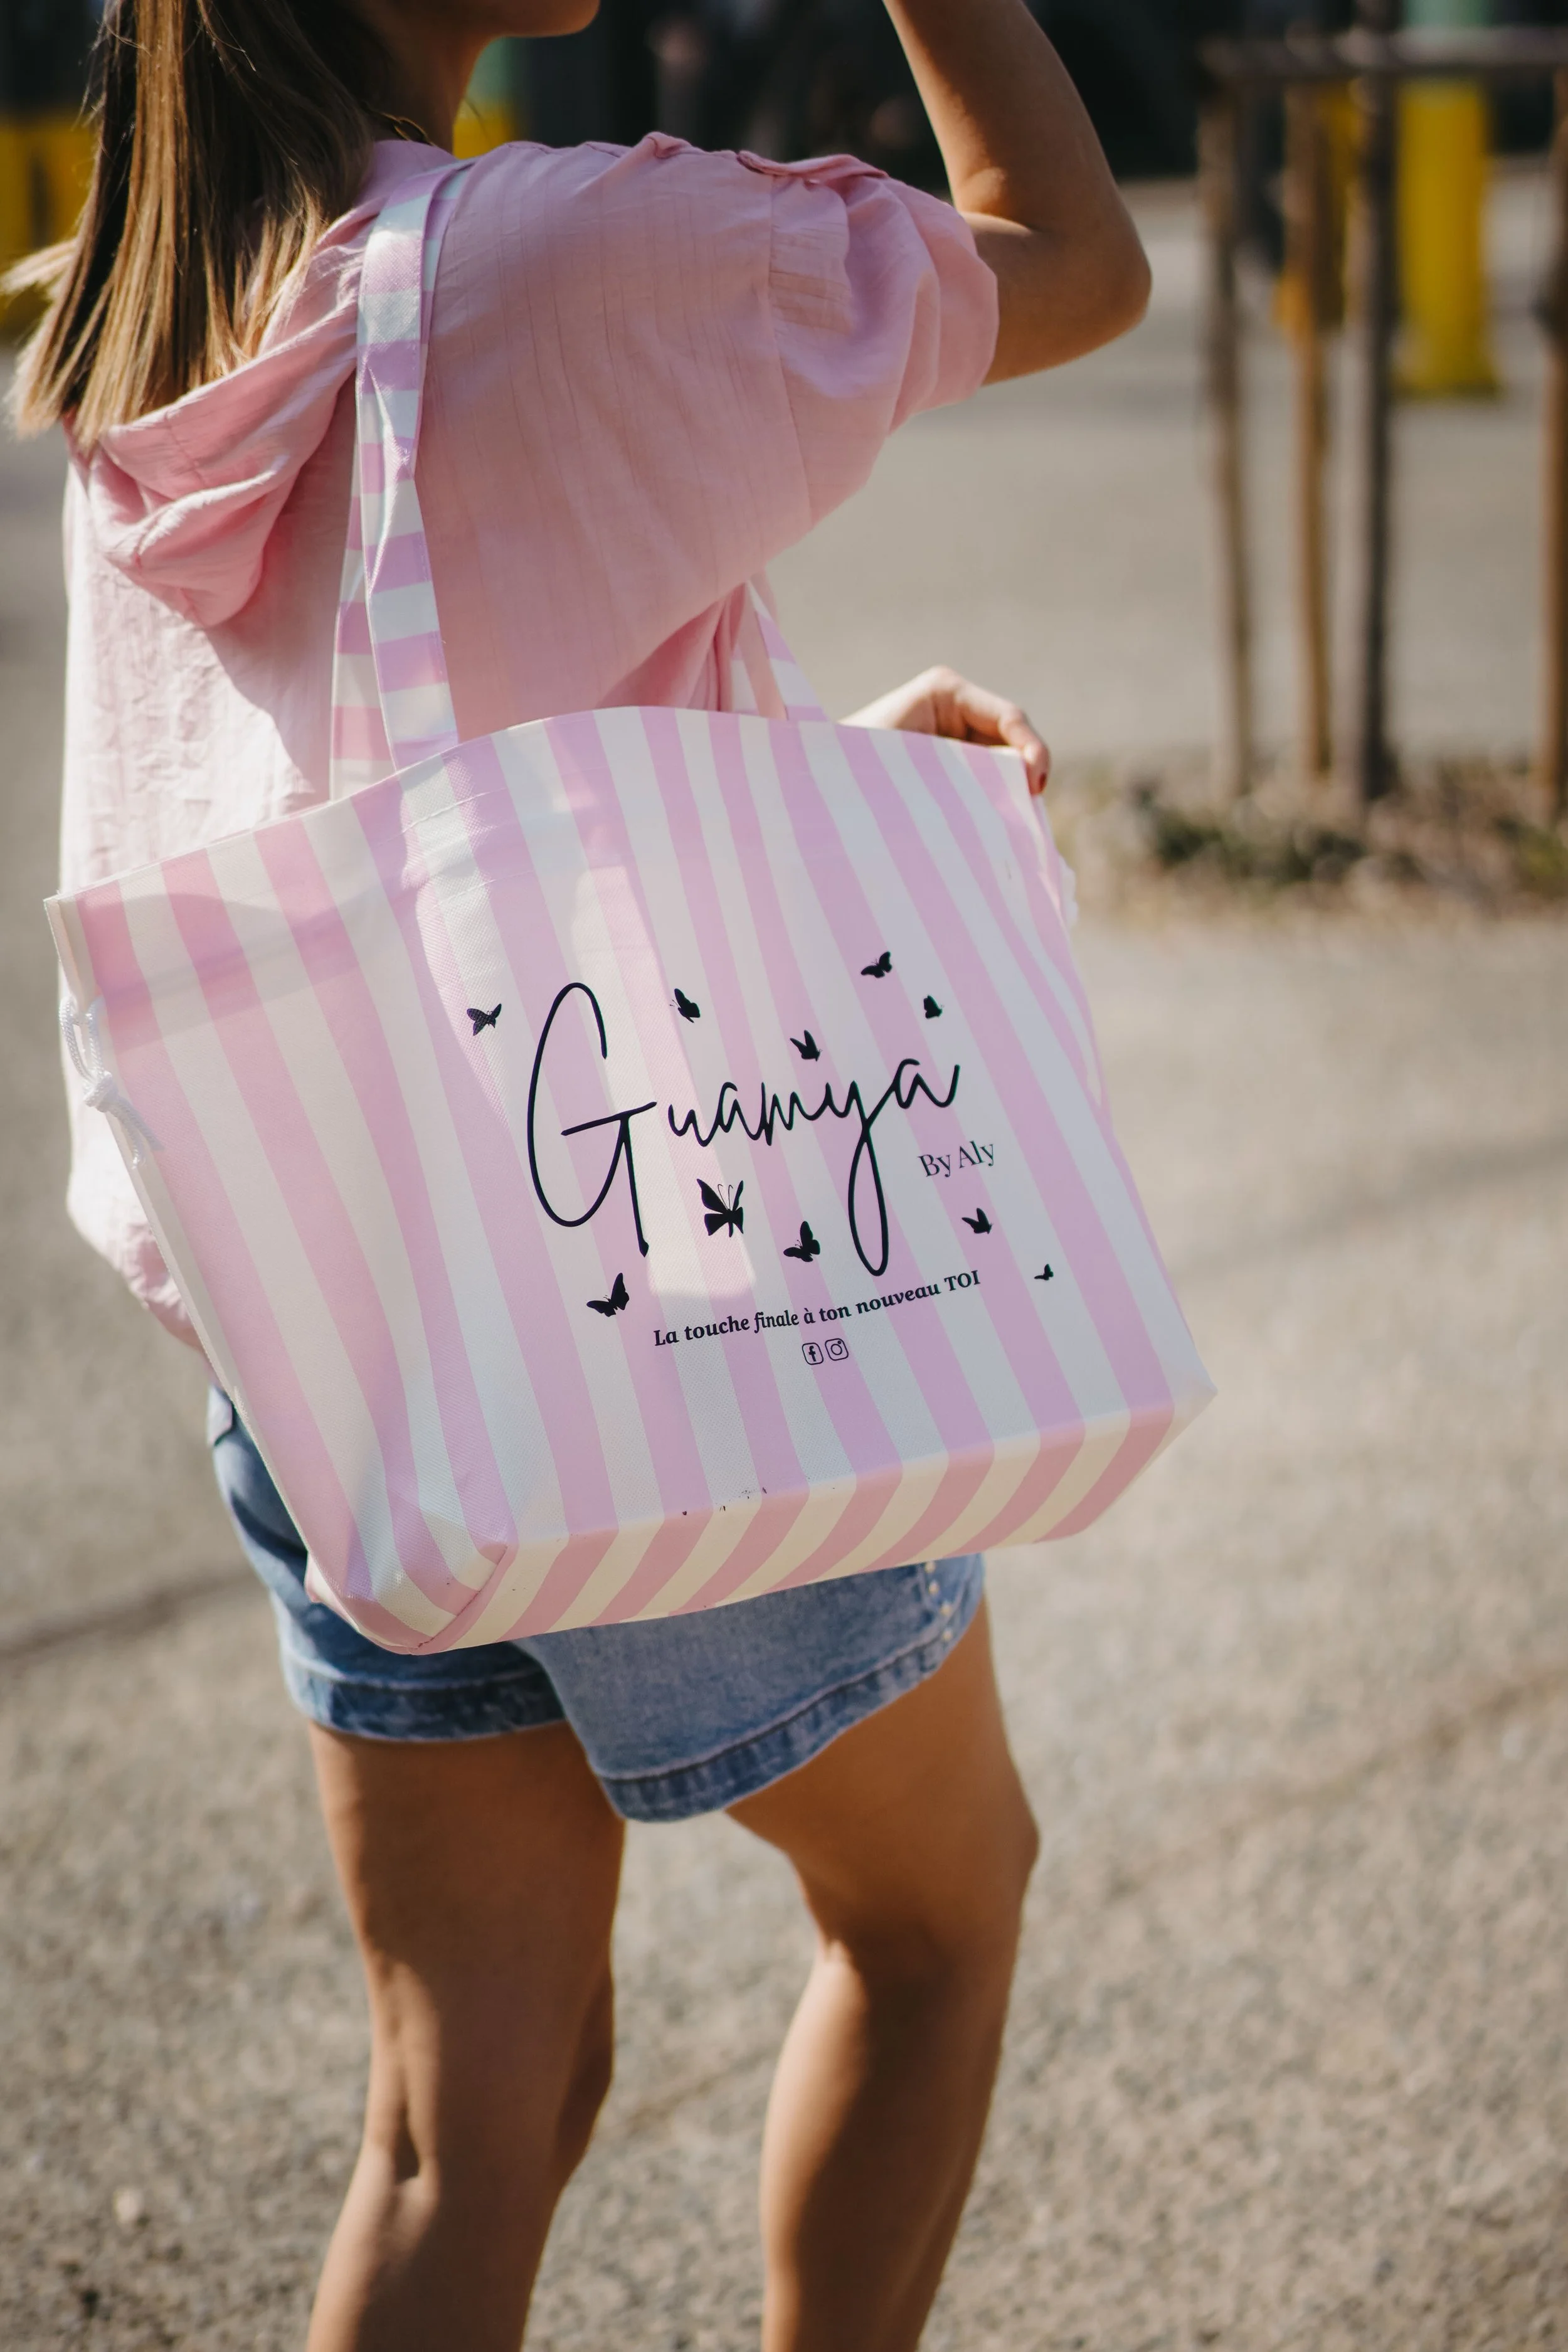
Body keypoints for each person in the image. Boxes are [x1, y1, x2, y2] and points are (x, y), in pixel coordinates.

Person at [12, 3, 1148, 2346]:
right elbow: (1076, 251)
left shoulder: (163, 301)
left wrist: (789, 774)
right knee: (934, 1922)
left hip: (340, 1355)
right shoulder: (564, 255)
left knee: (465, 2114)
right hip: (656, 1290)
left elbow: (380, 802)